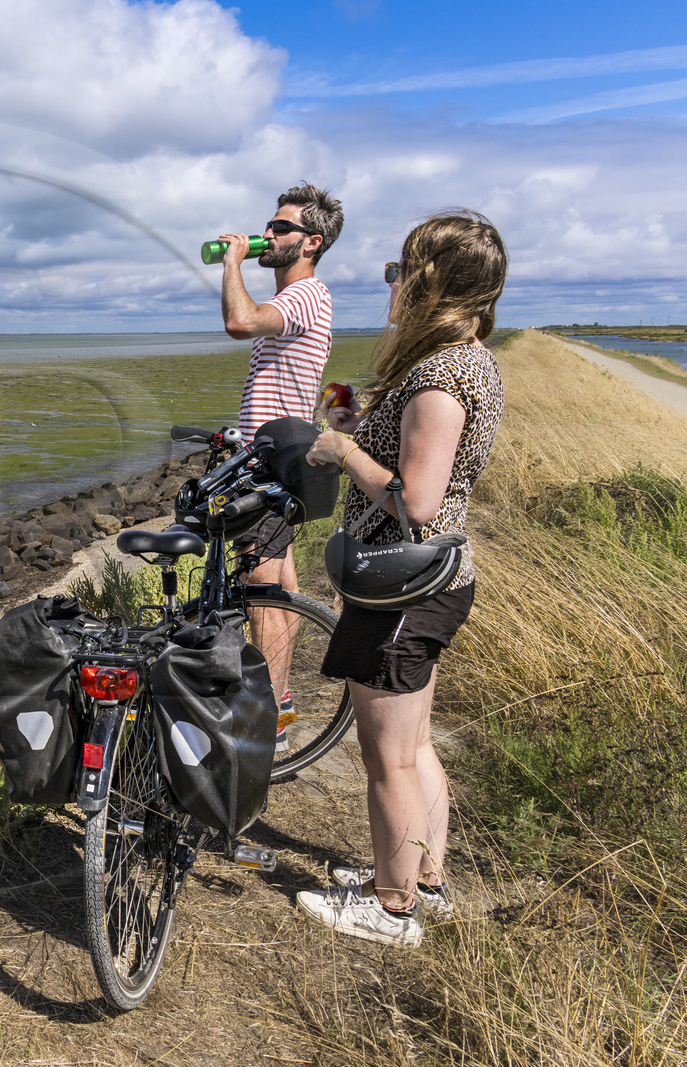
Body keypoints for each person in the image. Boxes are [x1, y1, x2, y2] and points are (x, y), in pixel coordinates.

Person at [295, 211, 508, 947]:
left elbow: (417, 501)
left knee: (386, 755)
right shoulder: (465, 360)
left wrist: (339, 450)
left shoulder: (444, 376)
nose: (391, 285)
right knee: (414, 747)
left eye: (399, 271)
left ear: (431, 283)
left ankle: (390, 908)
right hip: (430, 580)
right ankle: (427, 881)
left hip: (401, 584)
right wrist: (361, 427)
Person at [216, 183, 343, 748]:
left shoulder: (305, 294)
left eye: (281, 229)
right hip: (273, 456)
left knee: (261, 591)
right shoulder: (305, 302)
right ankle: (281, 705)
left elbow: (240, 322)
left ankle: (262, 725)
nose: (269, 234)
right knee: (280, 589)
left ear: (311, 242)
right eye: (269, 225)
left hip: (268, 465)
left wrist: (233, 262)